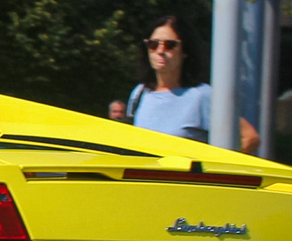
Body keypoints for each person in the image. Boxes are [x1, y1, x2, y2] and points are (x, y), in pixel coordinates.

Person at [107, 15, 259, 153]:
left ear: (184, 51)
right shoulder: (140, 93)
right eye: (153, 44)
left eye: (170, 45)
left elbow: (249, 137)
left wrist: (218, 174)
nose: (160, 50)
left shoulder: (202, 95)